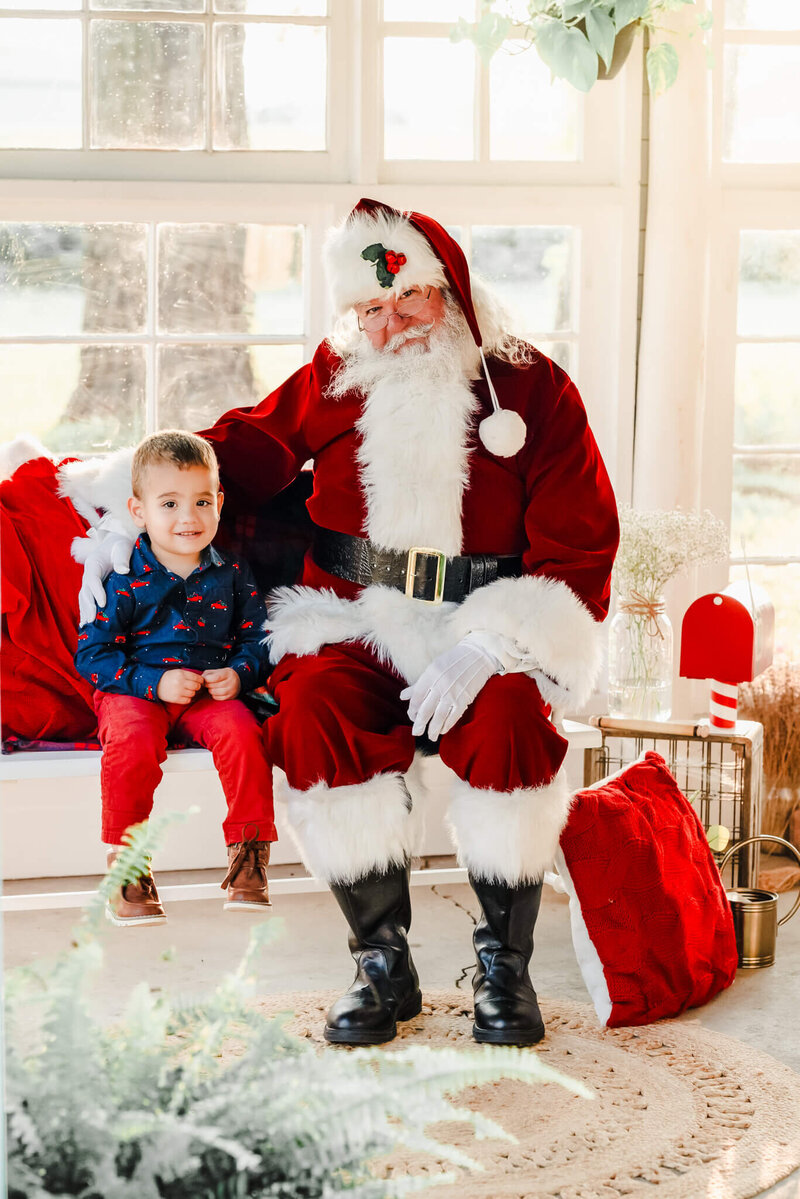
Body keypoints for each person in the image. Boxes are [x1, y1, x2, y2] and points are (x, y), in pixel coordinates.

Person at [74, 199, 618, 1041]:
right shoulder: (336, 371)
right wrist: (125, 502)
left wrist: (490, 643)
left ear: (451, 292)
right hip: (350, 614)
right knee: (314, 708)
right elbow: (241, 451)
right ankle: (380, 961)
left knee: (512, 719)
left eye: (408, 301)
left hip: (482, 620)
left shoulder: (532, 389)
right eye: (370, 308)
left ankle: (504, 973)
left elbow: (580, 544)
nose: (390, 325)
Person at [74, 430, 276, 926]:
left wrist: (240, 674)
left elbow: (258, 642)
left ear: (219, 503)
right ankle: (127, 865)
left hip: (207, 692)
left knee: (243, 733)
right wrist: (153, 684)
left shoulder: (232, 573)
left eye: (202, 501)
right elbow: (92, 656)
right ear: (138, 510)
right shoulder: (123, 575)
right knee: (131, 741)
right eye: (169, 503)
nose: (188, 517)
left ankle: (249, 856)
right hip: (134, 691)